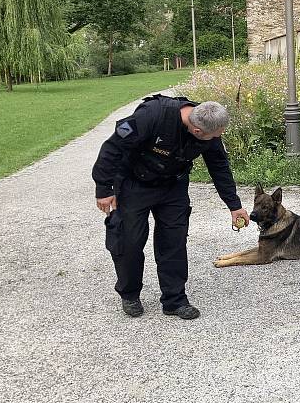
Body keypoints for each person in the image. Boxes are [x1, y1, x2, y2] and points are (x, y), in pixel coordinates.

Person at [92, 94, 250, 320]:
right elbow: (113, 147)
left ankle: (174, 300)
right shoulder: (152, 115)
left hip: (172, 185)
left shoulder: (209, 127)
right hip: (133, 182)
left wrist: (234, 205)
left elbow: (219, 167)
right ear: (197, 132)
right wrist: (104, 188)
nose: (219, 137)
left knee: (174, 240)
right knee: (129, 240)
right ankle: (130, 294)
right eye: (215, 136)